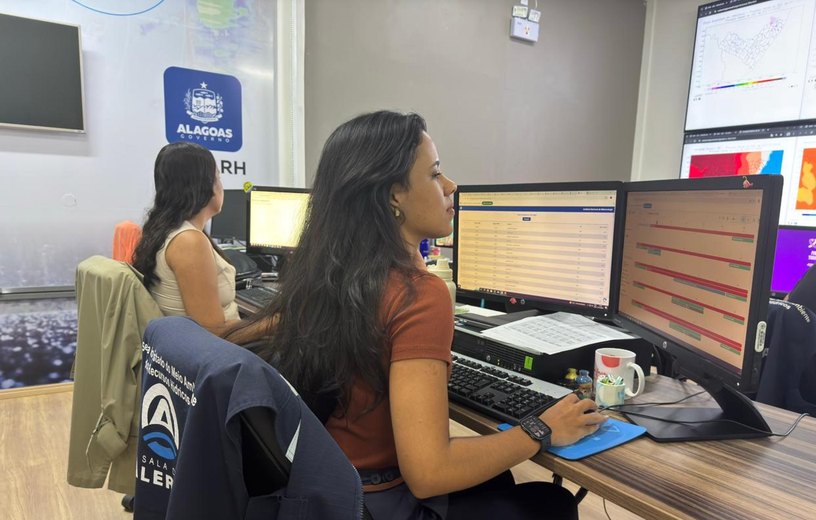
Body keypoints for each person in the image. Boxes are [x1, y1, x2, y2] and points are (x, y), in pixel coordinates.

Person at [227, 111, 606, 519]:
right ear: (394, 195)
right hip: (374, 504)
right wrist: (542, 429)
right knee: (553, 503)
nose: (450, 187)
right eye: (435, 174)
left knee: (497, 480)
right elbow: (429, 472)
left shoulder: (327, 274)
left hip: (324, 489)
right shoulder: (419, 295)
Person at [133, 142, 239, 335]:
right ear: (203, 186)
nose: (221, 186)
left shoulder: (166, 230)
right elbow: (213, 332)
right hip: (218, 355)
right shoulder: (189, 242)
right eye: (218, 178)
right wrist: (272, 322)